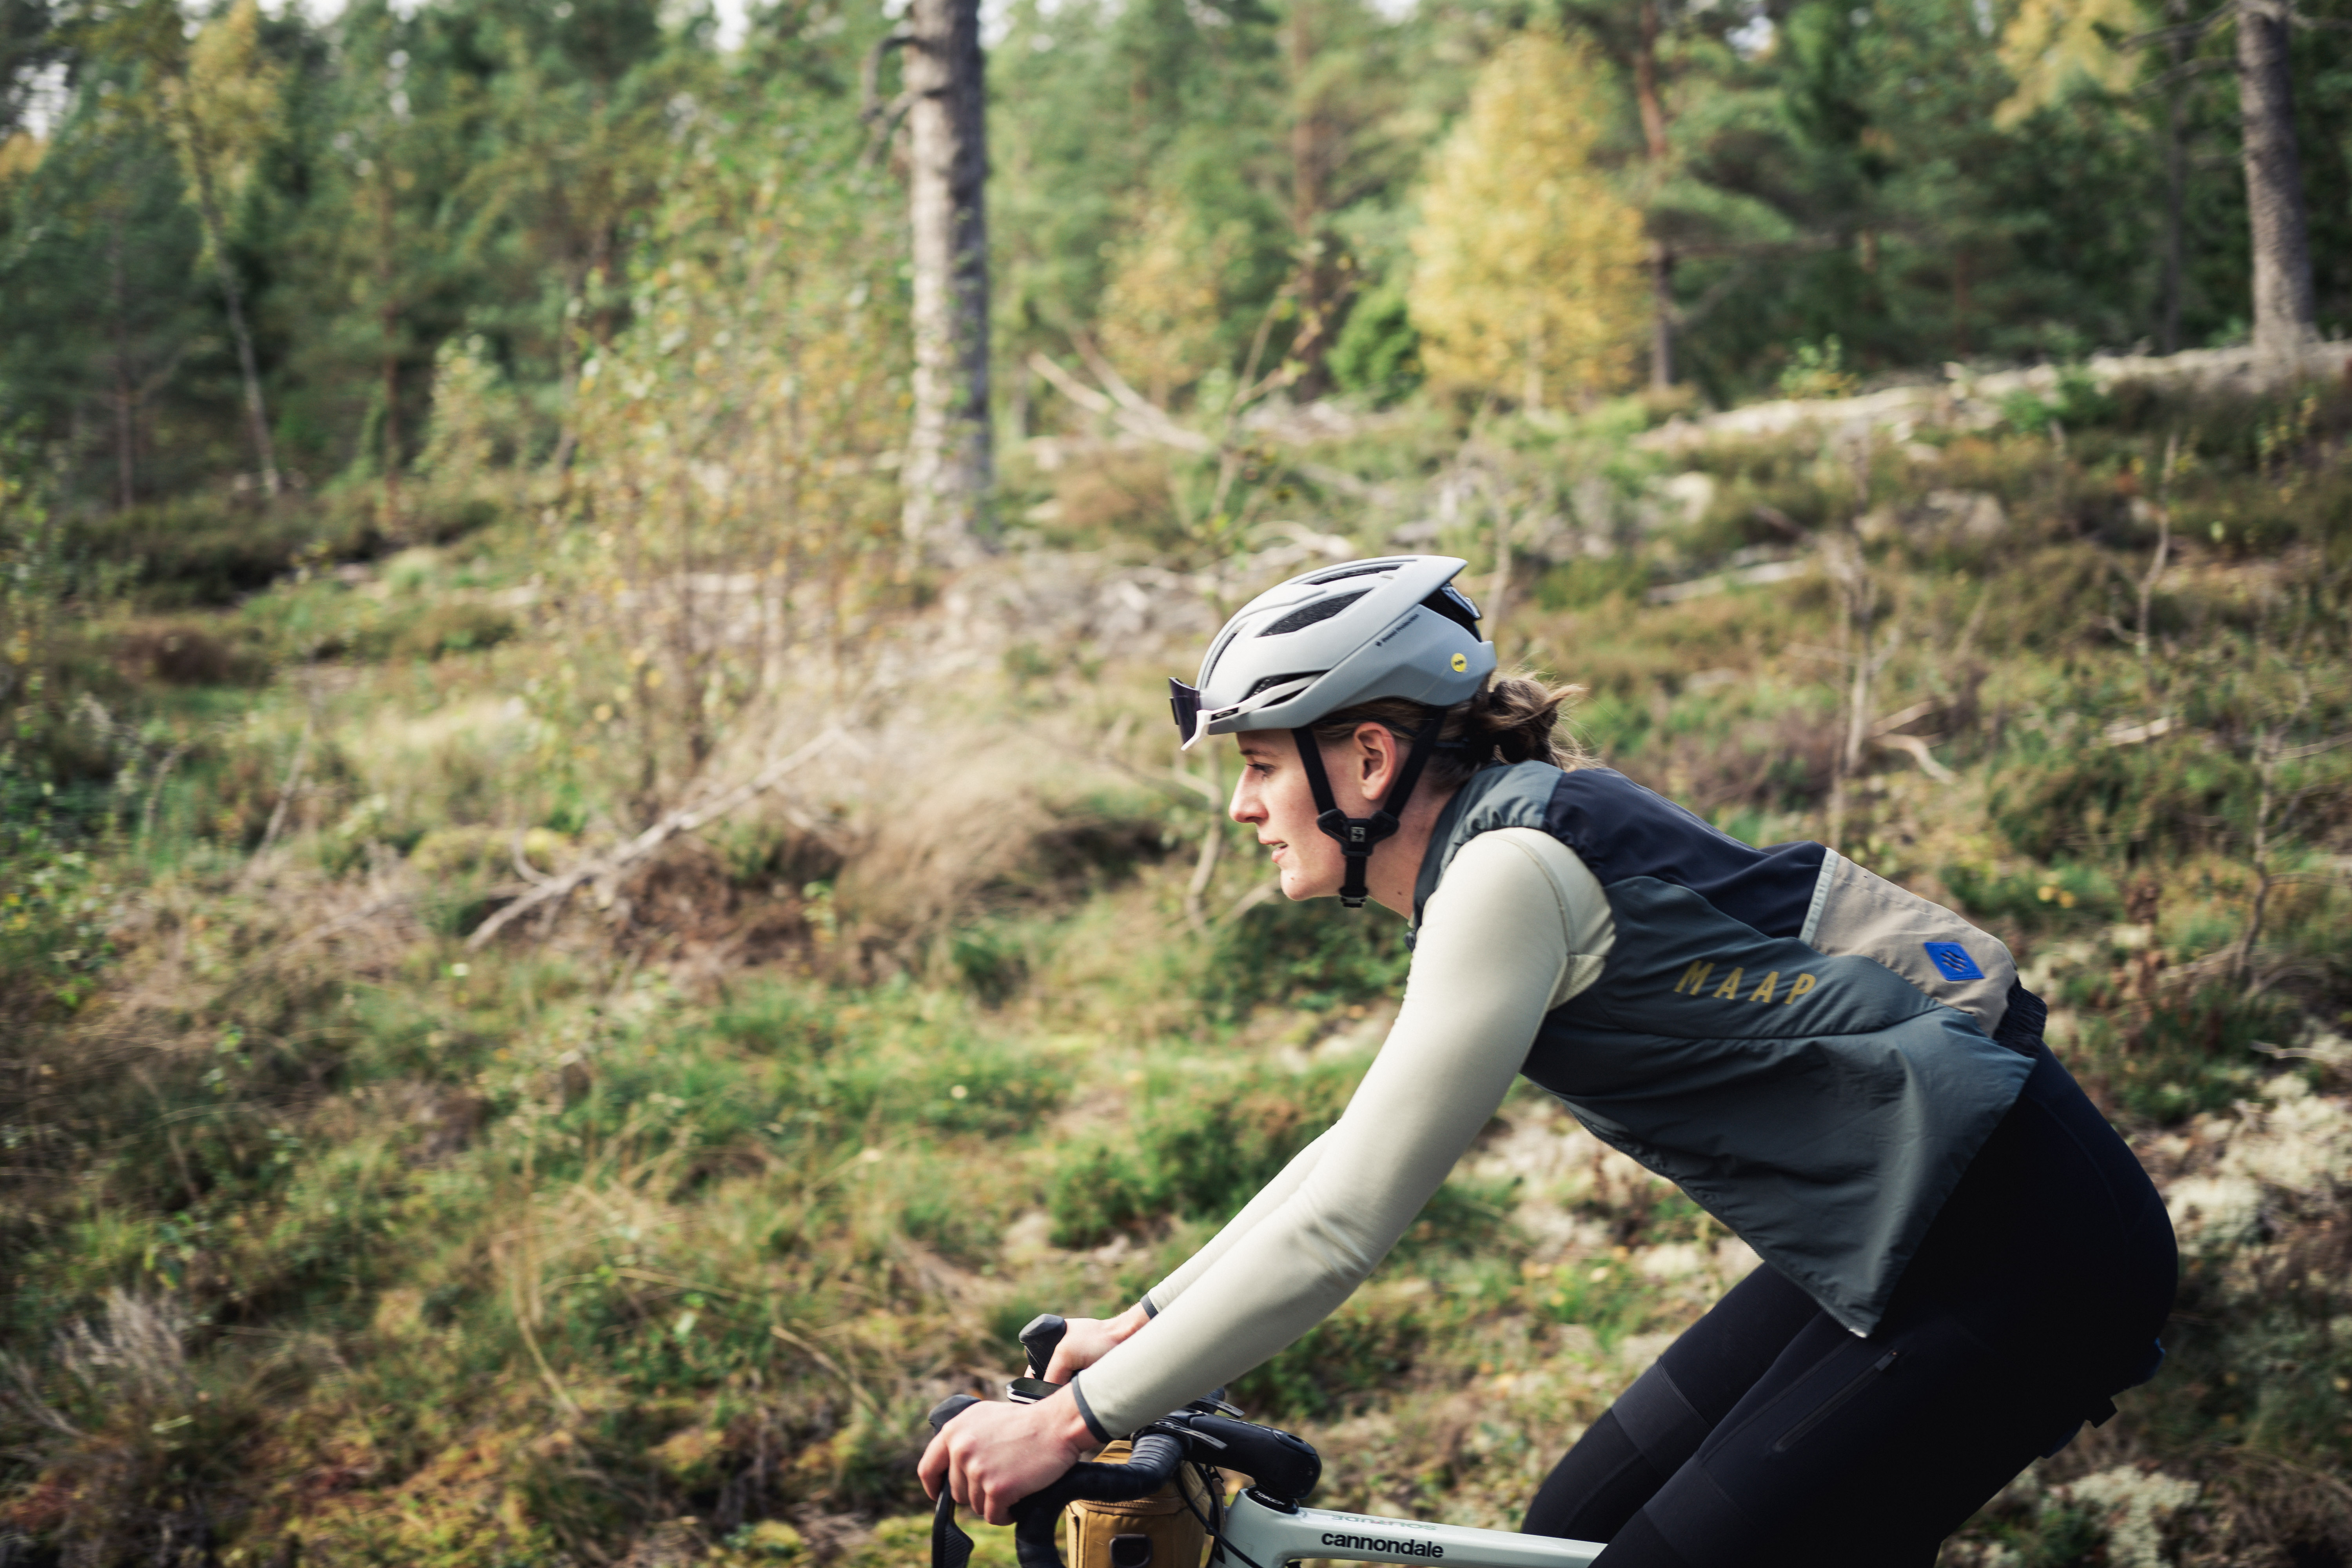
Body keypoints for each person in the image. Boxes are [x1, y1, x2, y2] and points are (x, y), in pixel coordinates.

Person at [919, 555, 2176, 1567]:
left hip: (2028, 1245)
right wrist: (1140, 1325)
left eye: (1259, 767)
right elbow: (1349, 1154)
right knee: (1569, 1528)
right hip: (1913, 1225)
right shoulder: (1500, 846)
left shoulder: (1511, 874)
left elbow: (1350, 1222)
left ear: (1366, 760)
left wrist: (1075, 1424)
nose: (1244, 808)